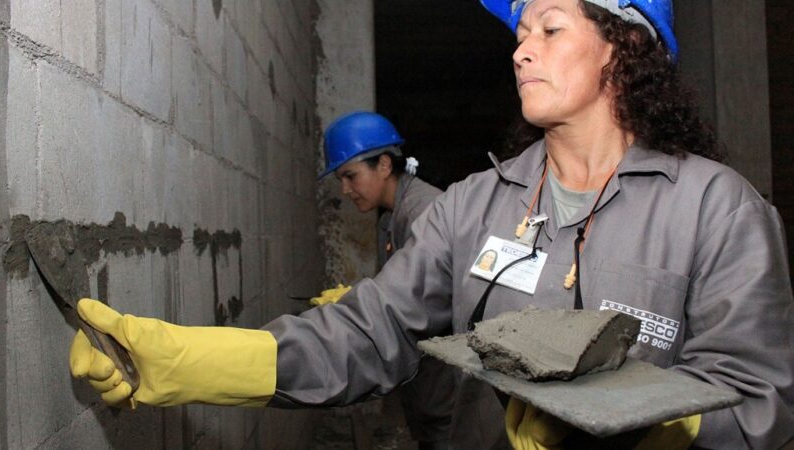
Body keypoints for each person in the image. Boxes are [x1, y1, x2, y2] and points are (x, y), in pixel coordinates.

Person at [69, 0, 794, 448]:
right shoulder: (472, 208)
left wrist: (633, 424)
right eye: (519, 29)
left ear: (622, 44)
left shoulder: (717, 210)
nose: (520, 46)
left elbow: (762, 404)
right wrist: (184, 360)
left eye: (549, 25)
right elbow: (367, 334)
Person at [309, 110, 458, 450]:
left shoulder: (425, 213)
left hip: (449, 395)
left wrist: (358, 305)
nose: (345, 189)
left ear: (385, 165)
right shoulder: (392, 218)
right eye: (341, 180)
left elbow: (424, 305)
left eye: (351, 176)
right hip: (429, 389)